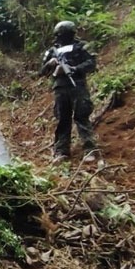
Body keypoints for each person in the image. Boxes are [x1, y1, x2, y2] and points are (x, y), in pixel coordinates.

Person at [40, 20, 98, 164]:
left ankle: (90, 150)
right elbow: (42, 72)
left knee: (81, 117)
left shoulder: (81, 46)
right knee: (63, 120)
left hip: (77, 85)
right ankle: (61, 151)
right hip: (60, 88)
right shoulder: (52, 51)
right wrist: (50, 64)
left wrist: (73, 69)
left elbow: (91, 64)